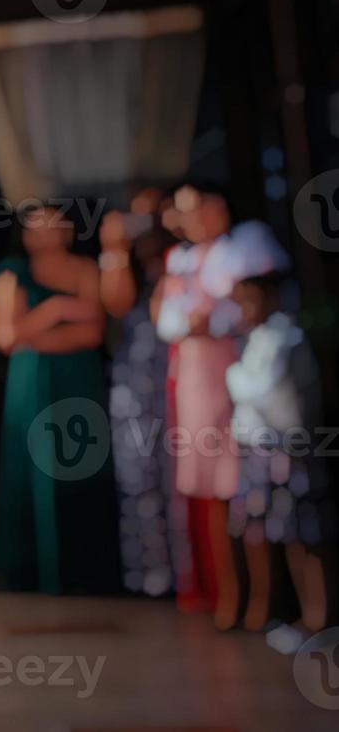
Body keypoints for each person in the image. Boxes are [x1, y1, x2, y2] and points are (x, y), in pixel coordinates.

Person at [0, 205, 120, 594]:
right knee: (31, 466)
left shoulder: (85, 268)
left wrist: (39, 337)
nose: (44, 234)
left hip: (77, 378)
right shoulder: (13, 270)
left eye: (53, 225)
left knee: (80, 459)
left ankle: (87, 566)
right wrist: (56, 309)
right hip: (31, 381)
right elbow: (7, 337)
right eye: (35, 226)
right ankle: (32, 568)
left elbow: (93, 333)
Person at [225, 265, 334, 647]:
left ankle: (317, 618)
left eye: (250, 300)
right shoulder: (257, 338)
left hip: (288, 452)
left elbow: (260, 391)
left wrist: (234, 375)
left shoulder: (286, 337)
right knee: (276, 533)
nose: (244, 309)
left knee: (304, 536)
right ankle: (296, 616)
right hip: (261, 453)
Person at [152, 184, 242, 626]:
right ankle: (221, 590)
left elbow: (243, 307)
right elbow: (169, 321)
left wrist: (212, 319)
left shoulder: (243, 249)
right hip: (195, 376)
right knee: (208, 481)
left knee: (245, 476)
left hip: (238, 372)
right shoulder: (180, 262)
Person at [98, 189, 180, 596]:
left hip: (178, 379)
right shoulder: (121, 260)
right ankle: (150, 576)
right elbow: (115, 304)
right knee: (138, 479)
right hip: (134, 385)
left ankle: (190, 577)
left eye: (156, 213)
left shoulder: (180, 259)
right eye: (138, 214)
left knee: (183, 478)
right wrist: (114, 249)